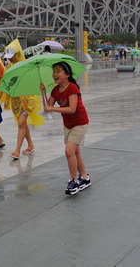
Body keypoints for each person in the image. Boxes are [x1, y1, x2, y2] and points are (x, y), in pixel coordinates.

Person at [40, 61, 90, 195]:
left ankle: (73, 180)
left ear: (67, 75)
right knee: (75, 152)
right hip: (68, 124)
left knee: (69, 152)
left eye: (58, 71)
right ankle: (84, 177)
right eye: (54, 71)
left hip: (79, 123)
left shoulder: (72, 88)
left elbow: (72, 109)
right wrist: (44, 93)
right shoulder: (56, 90)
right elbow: (47, 107)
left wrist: (52, 108)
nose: (54, 74)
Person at [0, 40, 45, 160]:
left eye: (12, 56)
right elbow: (6, 83)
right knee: (22, 124)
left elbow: (33, 85)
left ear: (18, 53)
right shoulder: (9, 67)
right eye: (8, 57)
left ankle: (17, 150)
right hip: (16, 101)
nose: (10, 59)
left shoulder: (27, 66)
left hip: (27, 100)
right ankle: (30, 145)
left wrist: (30, 102)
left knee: (21, 124)